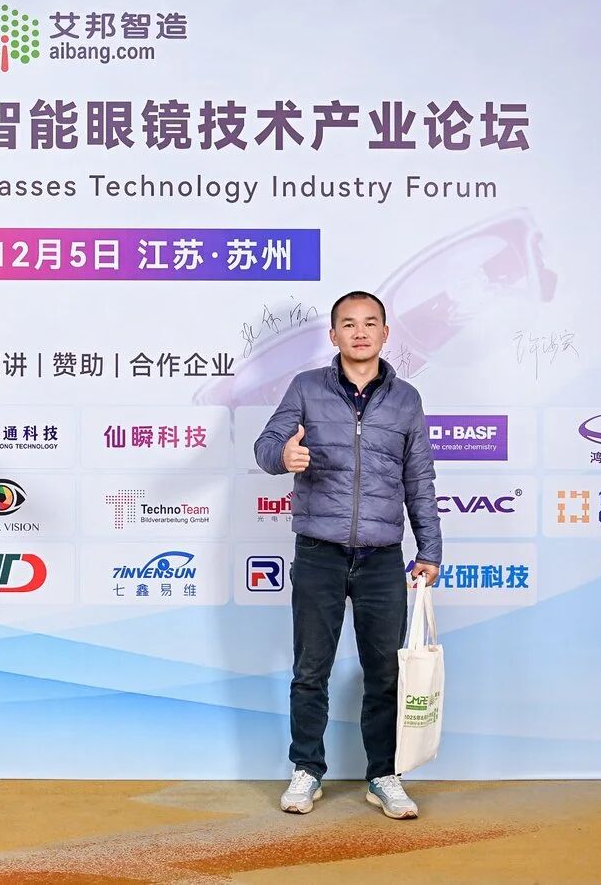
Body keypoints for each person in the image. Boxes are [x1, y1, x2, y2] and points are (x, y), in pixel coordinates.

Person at [253, 290, 442, 819]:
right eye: (349, 324)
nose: (360, 332)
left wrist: (429, 547)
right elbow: (266, 446)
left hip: (382, 558)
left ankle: (384, 775)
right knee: (310, 669)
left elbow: (419, 479)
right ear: (333, 335)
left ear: (385, 333)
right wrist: (283, 455)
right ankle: (306, 771)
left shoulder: (406, 399)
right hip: (320, 552)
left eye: (370, 323)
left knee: (385, 673)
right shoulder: (306, 388)